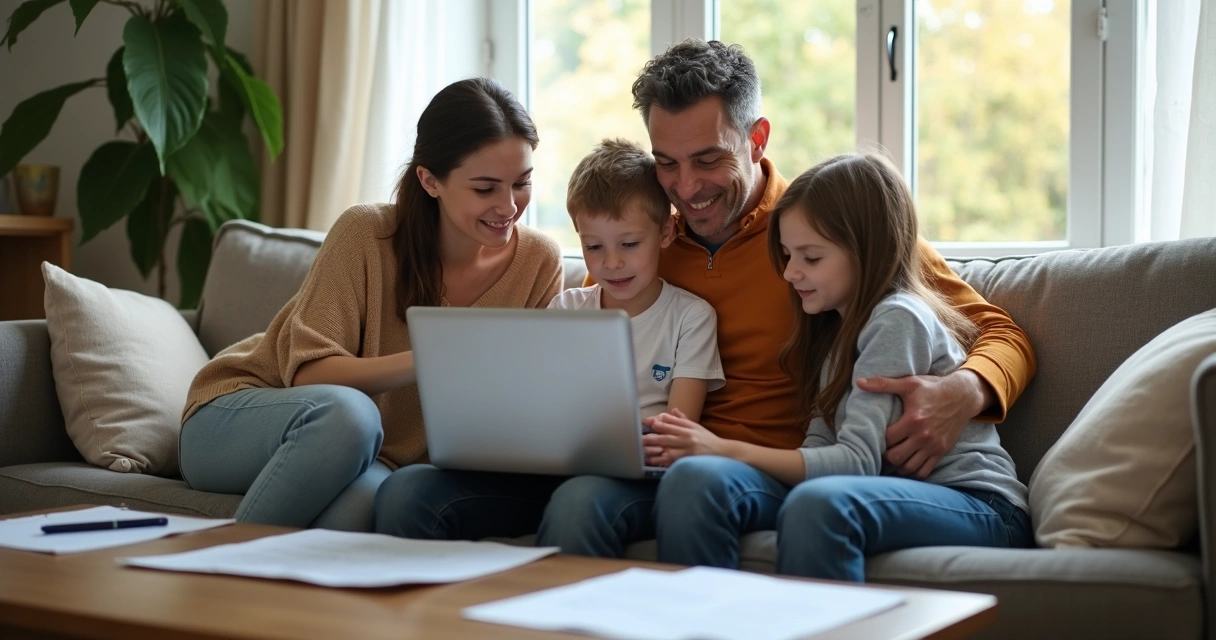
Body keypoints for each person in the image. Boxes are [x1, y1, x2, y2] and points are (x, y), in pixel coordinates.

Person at [552, 39, 1036, 562]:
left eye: (708, 159)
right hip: (674, 464)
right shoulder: (643, 245)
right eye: (666, 163)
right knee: (579, 502)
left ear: (756, 138)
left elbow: (1003, 334)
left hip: (786, 469)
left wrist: (964, 391)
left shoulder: (827, 230)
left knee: (699, 484)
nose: (686, 188)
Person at [177, 77, 563, 532]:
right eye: (485, 189)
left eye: (521, 183)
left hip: (382, 457)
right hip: (243, 414)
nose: (508, 206)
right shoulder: (366, 233)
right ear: (430, 180)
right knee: (351, 417)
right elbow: (309, 372)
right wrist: (435, 357)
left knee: (364, 510)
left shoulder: (538, 261)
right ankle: (220, 576)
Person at [645, 152, 1034, 578]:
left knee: (819, 505)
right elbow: (818, 452)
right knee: (695, 479)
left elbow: (856, 462)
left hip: (979, 503)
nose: (790, 273)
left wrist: (721, 447)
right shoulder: (831, 328)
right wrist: (710, 460)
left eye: (810, 258)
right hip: (883, 492)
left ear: (867, 251)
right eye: (787, 255)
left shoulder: (897, 318)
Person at [373, 138, 725, 546]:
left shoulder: (691, 317)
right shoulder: (567, 308)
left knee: (578, 499)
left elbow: (676, 433)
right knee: (409, 490)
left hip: (634, 482)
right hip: (546, 475)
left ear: (665, 232)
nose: (611, 262)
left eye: (629, 244)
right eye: (593, 247)